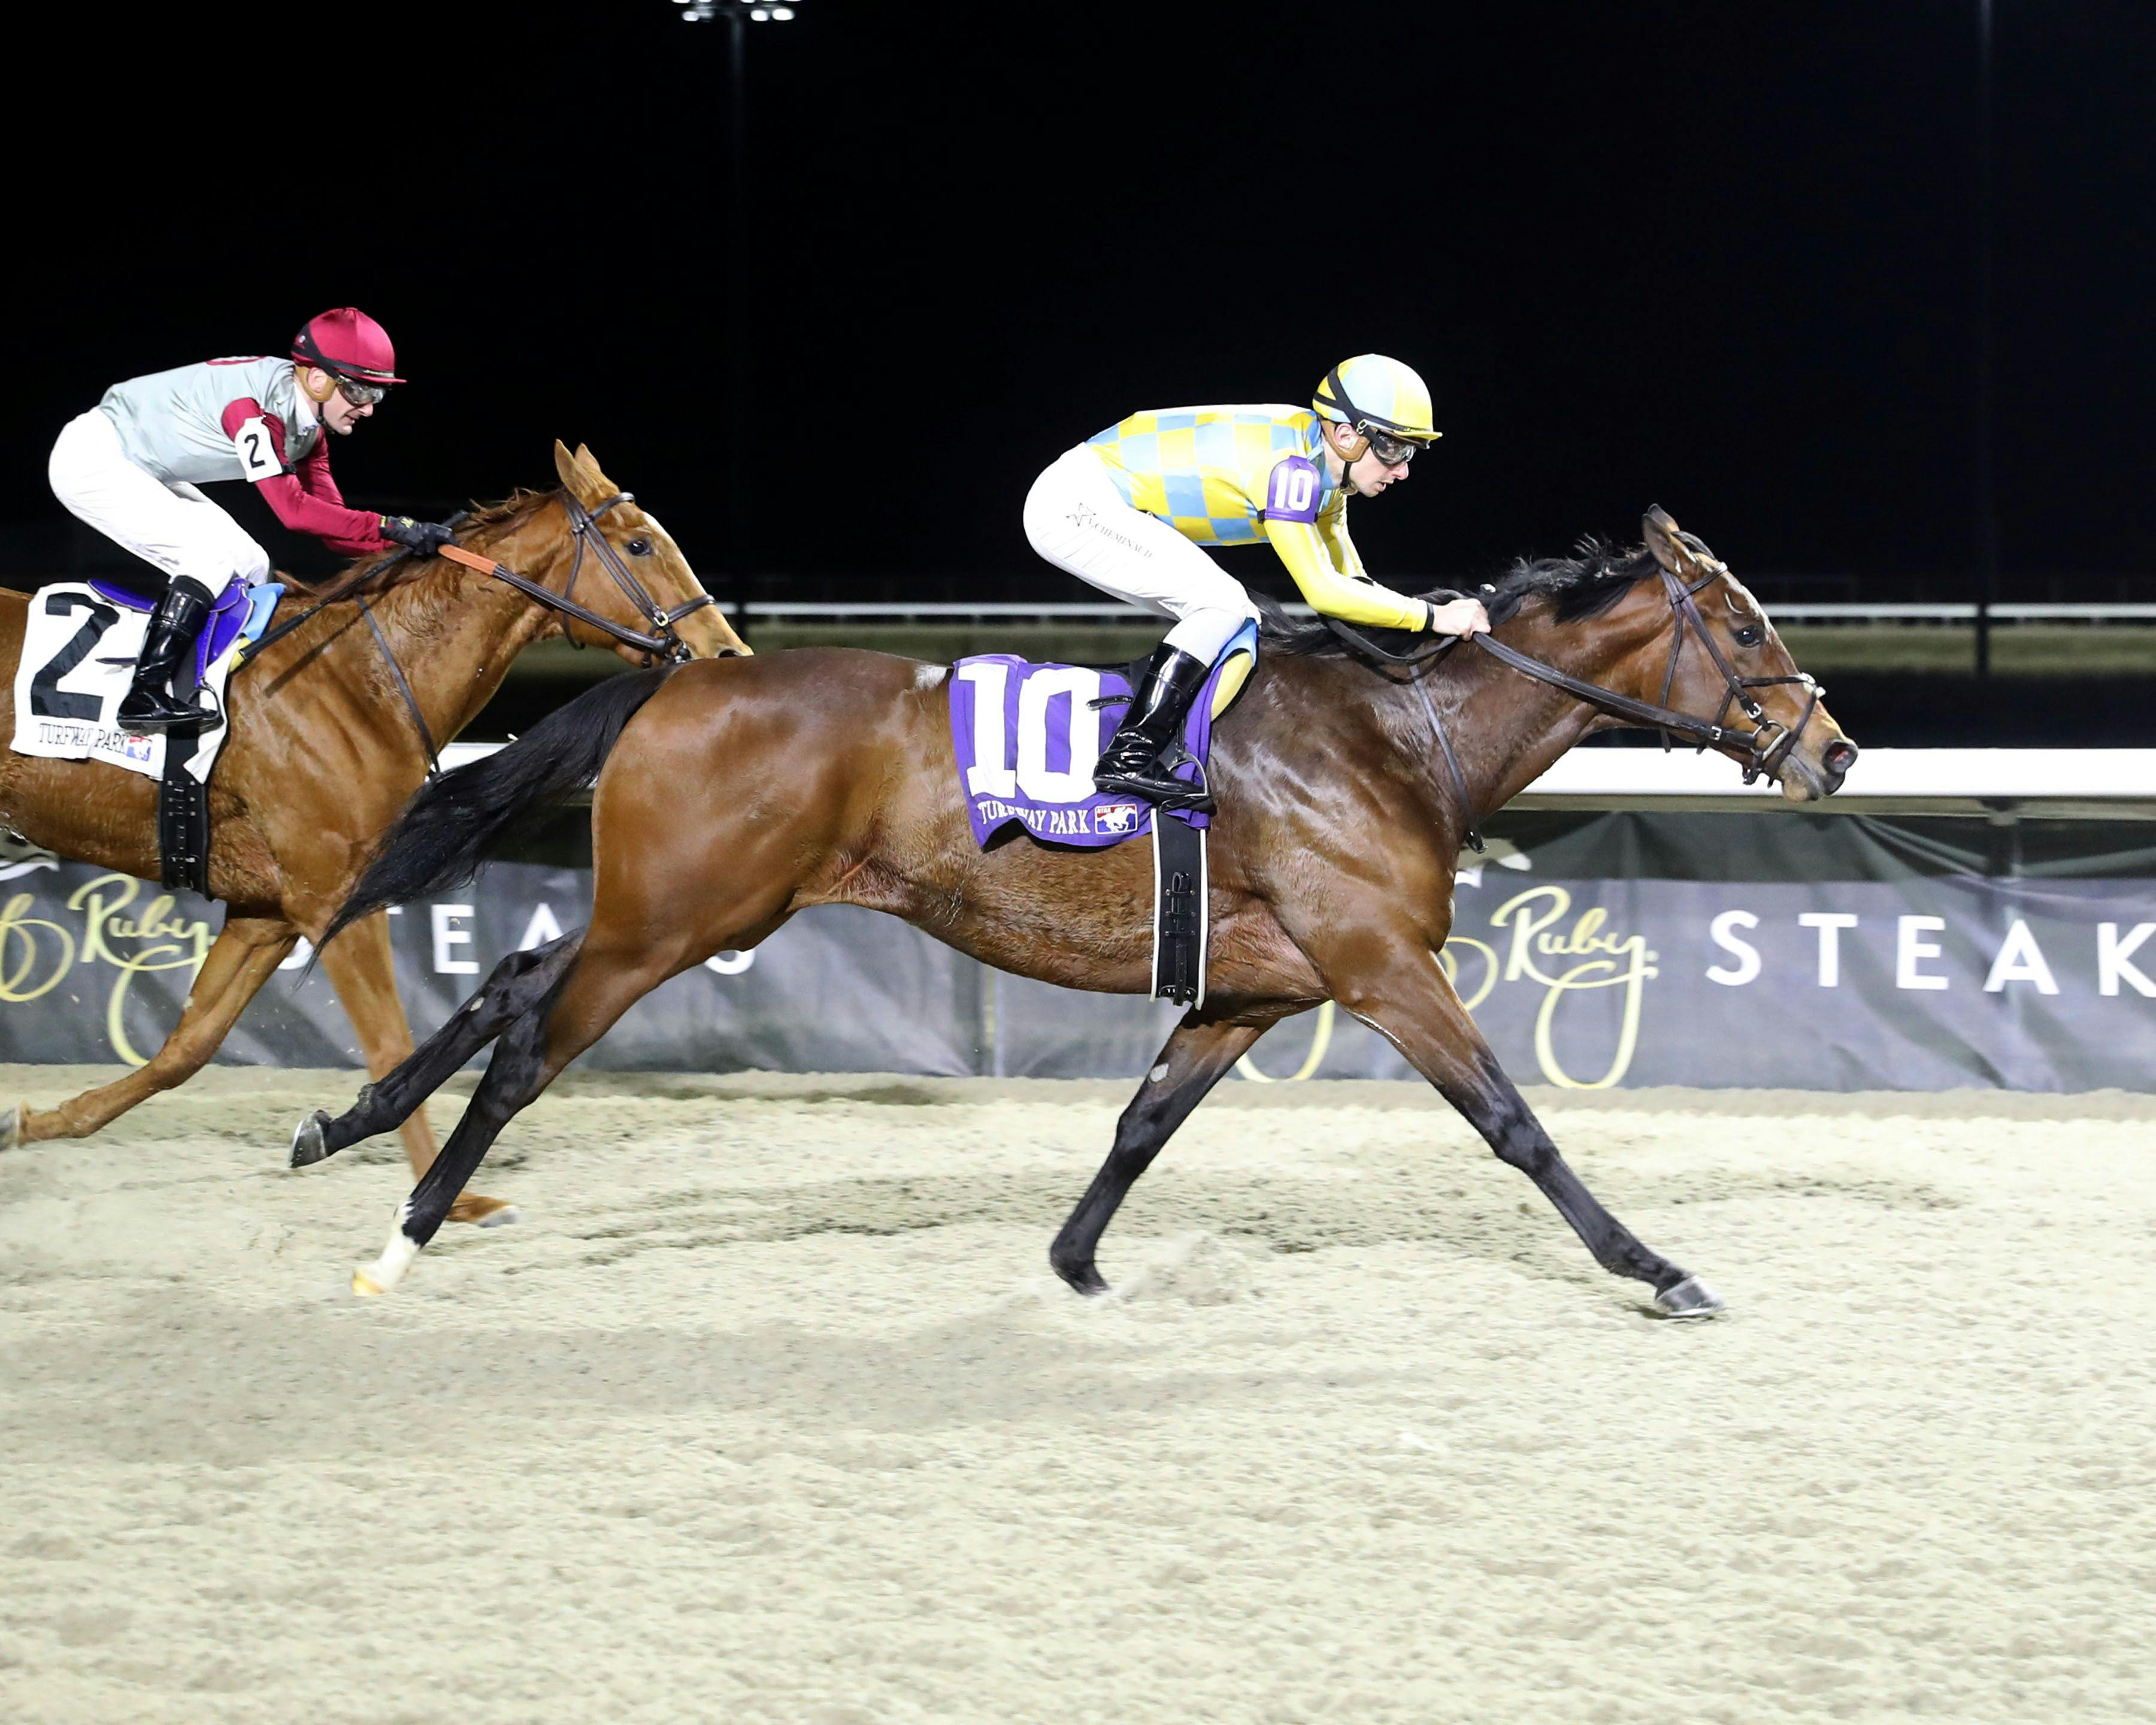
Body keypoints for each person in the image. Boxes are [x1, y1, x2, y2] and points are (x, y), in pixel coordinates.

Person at [1023, 353, 1491, 809]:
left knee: (1240, 623)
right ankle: (1132, 756)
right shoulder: (1291, 469)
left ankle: (1160, 746)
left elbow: (1352, 587)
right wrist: (1433, 616)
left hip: (1092, 497)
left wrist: (1436, 618)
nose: (1404, 468)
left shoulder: (1328, 483)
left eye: (1410, 451)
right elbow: (1323, 593)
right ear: (1347, 436)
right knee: (1228, 608)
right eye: (1393, 448)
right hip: (1076, 502)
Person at [45, 307, 457, 731]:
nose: (369, 410)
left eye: (378, 395)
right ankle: (144, 695)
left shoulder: (309, 427)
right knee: (208, 561)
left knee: (253, 564)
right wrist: (389, 526)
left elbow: (335, 527)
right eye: (361, 393)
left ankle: (217, 685)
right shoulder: (255, 411)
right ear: (318, 380)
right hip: (93, 457)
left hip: (144, 465)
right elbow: (294, 513)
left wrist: (413, 546)